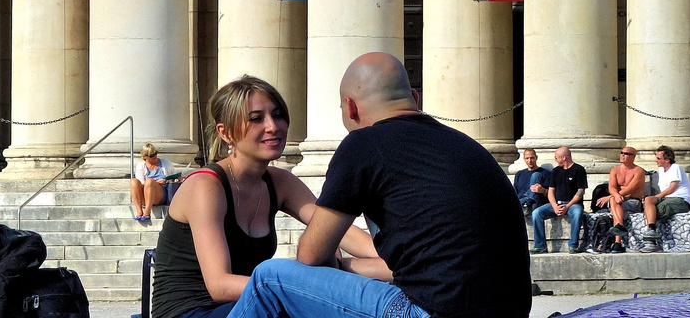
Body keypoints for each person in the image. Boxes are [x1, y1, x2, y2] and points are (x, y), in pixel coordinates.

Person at [227, 52, 532, 318]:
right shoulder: (463, 145)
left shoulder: (364, 144)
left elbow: (311, 256)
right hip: (509, 311)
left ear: (351, 107)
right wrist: (346, 267)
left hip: (427, 312)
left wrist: (337, 265)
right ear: (414, 98)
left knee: (270, 277)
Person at [151, 76, 381, 318]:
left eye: (278, 114)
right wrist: (300, 283)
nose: (273, 126)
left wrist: (397, 260)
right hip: (193, 312)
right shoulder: (205, 186)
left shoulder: (279, 182)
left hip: (252, 306)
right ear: (226, 132)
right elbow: (219, 285)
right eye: (256, 119)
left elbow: (335, 230)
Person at [529, 147, 587, 254]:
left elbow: (580, 191)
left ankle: (573, 245)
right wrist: (555, 206)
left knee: (578, 213)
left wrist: (568, 206)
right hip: (557, 203)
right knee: (536, 213)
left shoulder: (579, 170)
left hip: (572, 204)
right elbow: (551, 191)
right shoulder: (556, 171)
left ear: (564, 157)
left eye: (556, 157)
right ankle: (540, 245)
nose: (555, 159)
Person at [594, 146, 648, 236]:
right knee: (614, 202)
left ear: (633, 157)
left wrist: (612, 196)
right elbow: (612, 187)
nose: (622, 155)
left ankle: (618, 237)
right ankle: (619, 227)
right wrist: (616, 195)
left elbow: (631, 188)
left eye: (626, 154)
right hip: (618, 200)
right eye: (621, 153)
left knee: (613, 201)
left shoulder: (639, 171)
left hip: (632, 200)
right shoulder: (615, 170)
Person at [642, 146, 690, 231]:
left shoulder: (675, 168)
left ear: (667, 160)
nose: (655, 160)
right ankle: (651, 229)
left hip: (680, 199)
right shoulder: (660, 170)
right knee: (648, 201)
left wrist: (656, 197)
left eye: (658, 158)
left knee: (656, 210)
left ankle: (652, 229)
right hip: (666, 198)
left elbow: (671, 188)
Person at [131, 142, 170, 224]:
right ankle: (139, 211)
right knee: (134, 181)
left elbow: (172, 177)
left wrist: (165, 180)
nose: (155, 156)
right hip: (146, 193)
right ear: (145, 157)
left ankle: (147, 212)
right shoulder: (141, 166)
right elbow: (141, 183)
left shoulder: (165, 163)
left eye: (155, 153)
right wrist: (155, 182)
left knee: (149, 181)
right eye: (151, 155)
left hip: (160, 194)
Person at [512, 149, 548, 218]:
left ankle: (527, 202)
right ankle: (525, 203)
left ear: (536, 158)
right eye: (527, 158)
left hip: (535, 205)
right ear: (524, 159)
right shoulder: (519, 174)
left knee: (536, 175)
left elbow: (551, 193)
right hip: (521, 203)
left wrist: (543, 190)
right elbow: (515, 191)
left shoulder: (545, 173)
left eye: (532, 158)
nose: (529, 161)